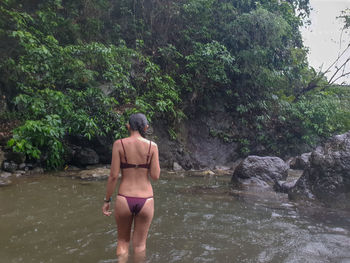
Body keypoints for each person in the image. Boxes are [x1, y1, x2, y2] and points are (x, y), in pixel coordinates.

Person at [102, 113, 160, 261]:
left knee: (122, 242)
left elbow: (113, 176)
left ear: (128, 126)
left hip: (124, 198)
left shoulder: (119, 144)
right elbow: (155, 176)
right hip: (146, 199)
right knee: (140, 246)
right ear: (146, 127)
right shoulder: (152, 147)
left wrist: (107, 200)